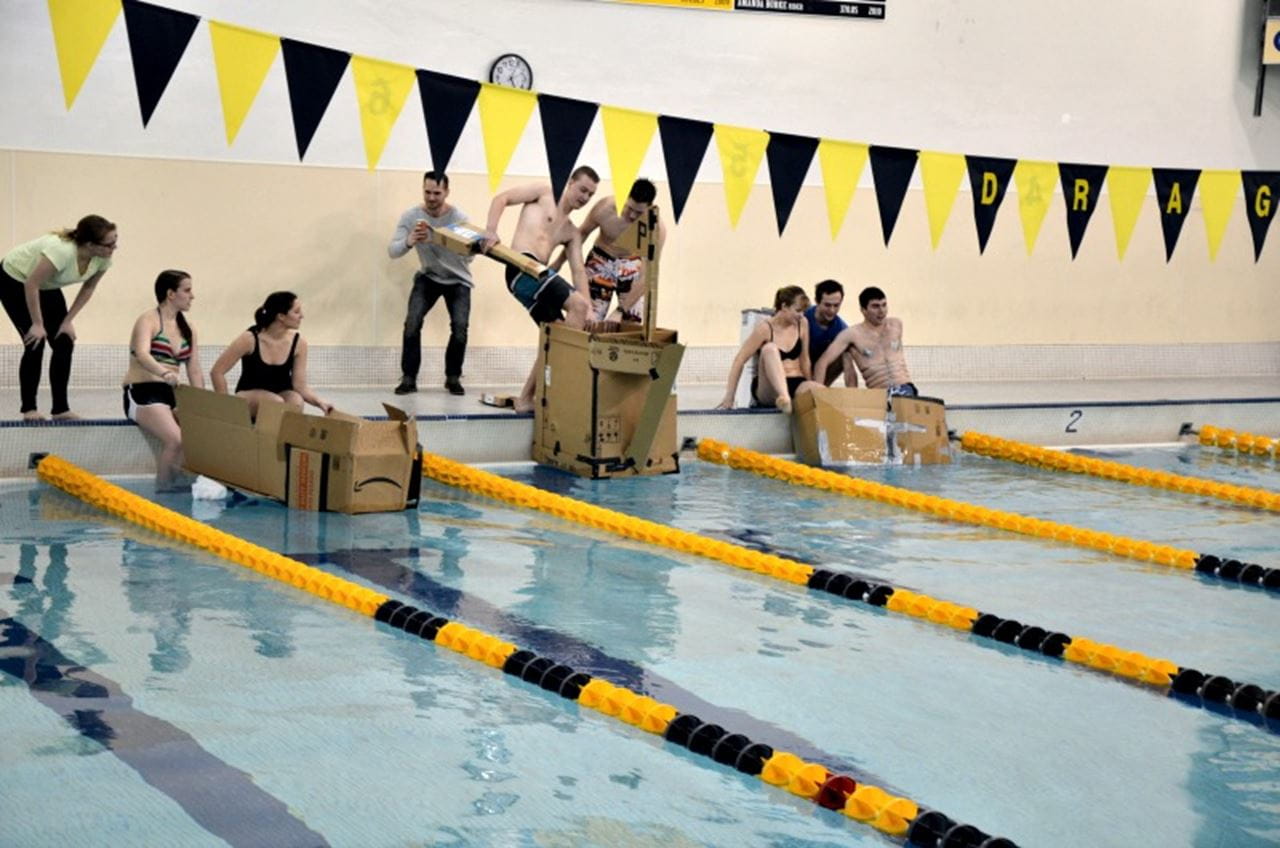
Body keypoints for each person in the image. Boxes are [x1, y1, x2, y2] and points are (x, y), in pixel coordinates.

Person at [480, 165, 598, 412]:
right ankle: (564, 378)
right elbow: (502, 198)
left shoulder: (572, 232)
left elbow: (578, 270)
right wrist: (491, 229)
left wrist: (589, 310)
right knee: (576, 305)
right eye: (582, 190)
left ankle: (526, 399)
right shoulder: (544, 193)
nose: (585, 198)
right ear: (569, 182)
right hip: (521, 266)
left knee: (554, 336)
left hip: (534, 280)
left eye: (590, 195)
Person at [1, 214, 117, 420]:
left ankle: (60, 409)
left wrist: (67, 321)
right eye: (109, 244)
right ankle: (29, 409)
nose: (114, 248)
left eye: (115, 242)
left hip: (46, 285)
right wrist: (37, 324)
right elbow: (31, 284)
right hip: (15, 279)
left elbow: (88, 287)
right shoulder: (62, 251)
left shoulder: (102, 259)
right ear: (90, 244)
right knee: (36, 341)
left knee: (64, 342)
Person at [388, 170, 475, 397]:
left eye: (437, 193)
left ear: (447, 192)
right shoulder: (411, 216)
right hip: (428, 276)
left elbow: (470, 255)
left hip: (458, 279)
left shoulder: (459, 218)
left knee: (459, 329)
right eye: (427, 192)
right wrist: (409, 241)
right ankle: (408, 378)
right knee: (412, 323)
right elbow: (393, 251)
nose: (432, 198)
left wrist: (439, 239)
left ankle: (453, 377)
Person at [122, 270, 204, 491]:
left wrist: (203, 402)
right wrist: (164, 373)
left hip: (172, 395)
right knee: (176, 440)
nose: (192, 296)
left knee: (196, 437)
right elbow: (142, 353)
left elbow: (194, 370)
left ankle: (179, 487)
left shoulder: (188, 329)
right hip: (143, 392)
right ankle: (164, 490)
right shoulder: (148, 320)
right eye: (187, 290)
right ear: (170, 294)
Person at [553, 178, 667, 326]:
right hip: (601, 259)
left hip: (631, 264)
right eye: (629, 208)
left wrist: (620, 310)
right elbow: (580, 236)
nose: (631, 216)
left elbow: (648, 274)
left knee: (631, 322)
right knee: (588, 319)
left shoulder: (656, 229)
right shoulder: (605, 208)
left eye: (638, 212)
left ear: (650, 208)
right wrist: (558, 263)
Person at [210, 291, 332, 418]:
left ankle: (277, 435)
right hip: (249, 396)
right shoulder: (250, 339)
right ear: (281, 316)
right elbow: (217, 372)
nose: (302, 316)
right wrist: (224, 406)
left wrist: (320, 403)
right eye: (296, 312)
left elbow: (300, 386)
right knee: (275, 402)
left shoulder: (299, 343)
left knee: (296, 401)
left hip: (280, 395)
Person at [716, 285, 812, 414]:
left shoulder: (803, 323)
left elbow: (805, 359)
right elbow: (740, 359)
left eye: (803, 311)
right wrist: (730, 396)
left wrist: (809, 384)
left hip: (795, 381)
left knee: (820, 391)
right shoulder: (765, 329)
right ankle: (785, 398)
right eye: (798, 310)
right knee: (770, 349)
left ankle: (788, 400)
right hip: (768, 388)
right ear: (784, 306)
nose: (801, 315)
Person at [812, 285, 918, 397]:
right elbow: (822, 363)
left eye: (884, 305)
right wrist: (818, 395)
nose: (881, 311)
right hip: (879, 393)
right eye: (875, 306)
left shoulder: (896, 325)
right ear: (863, 310)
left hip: (906, 388)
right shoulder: (851, 335)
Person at [805, 279, 850, 386]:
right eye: (827, 305)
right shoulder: (803, 317)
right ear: (817, 301)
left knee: (846, 353)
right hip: (798, 366)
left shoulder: (841, 329)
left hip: (822, 369)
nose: (832, 310)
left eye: (836, 305)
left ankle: (822, 389)